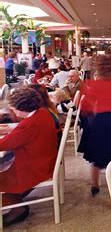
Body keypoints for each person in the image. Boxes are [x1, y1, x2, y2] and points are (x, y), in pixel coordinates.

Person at [0, 88, 58, 226]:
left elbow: (4, 144)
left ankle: (18, 208)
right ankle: (16, 200)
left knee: (2, 176)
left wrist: (10, 132)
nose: (12, 112)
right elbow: (25, 133)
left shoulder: (29, 124)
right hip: (45, 160)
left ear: (21, 108)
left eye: (13, 109)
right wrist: (11, 130)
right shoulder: (42, 113)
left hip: (35, 167)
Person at [79, 55, 111, 196]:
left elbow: (84, 107)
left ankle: (95, 186)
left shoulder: (92, 85)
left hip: (98, 121)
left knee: (96, 157)